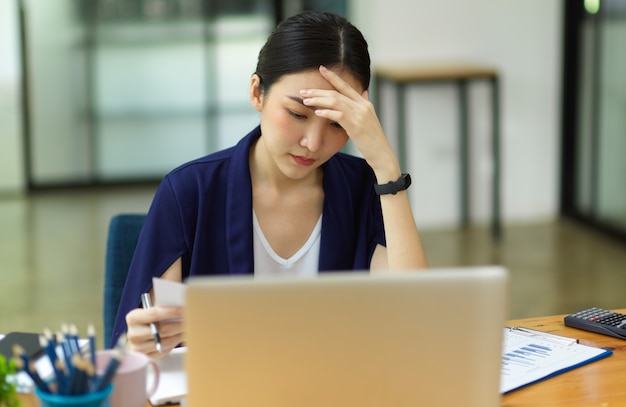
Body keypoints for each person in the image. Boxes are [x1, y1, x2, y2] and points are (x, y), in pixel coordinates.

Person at [111, 10, 428, 356]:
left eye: (337, 124)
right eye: (297, 114)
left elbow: (416, 324)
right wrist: (143, 345)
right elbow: (140, 354)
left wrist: (386, 167)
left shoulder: (366, 190)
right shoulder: (188, 192)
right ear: (257, 93)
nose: (313, 143)